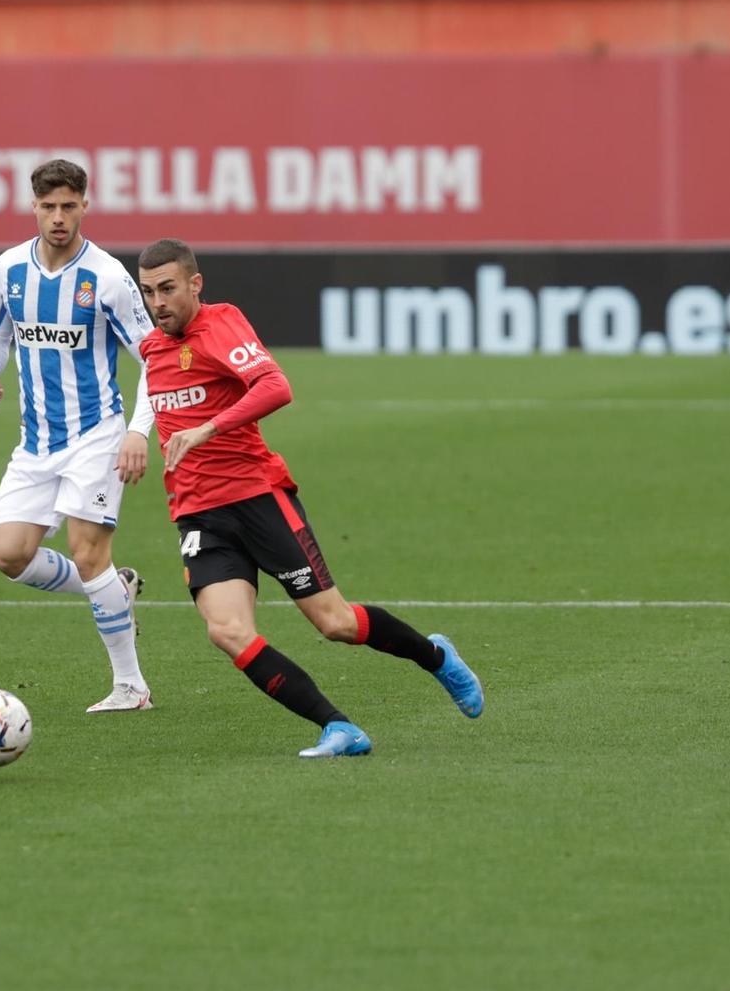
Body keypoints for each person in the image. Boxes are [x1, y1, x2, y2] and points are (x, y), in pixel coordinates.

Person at [126, 237, 483, 758]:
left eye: (168, 289)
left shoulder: (220, 323)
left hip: (258, 499)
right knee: (227, 632)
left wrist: (207, 429)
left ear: (195, 284)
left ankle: (435, 656)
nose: (158, 302)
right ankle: (338, 728)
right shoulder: (153, 348)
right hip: (199, 514)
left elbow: (275, 386)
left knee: (334, 623)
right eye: (148, 292)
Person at [0, 159, 155, 713]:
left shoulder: (106, 276)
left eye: (68, 206)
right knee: (9, 554)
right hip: (36, 442)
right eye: (48, 206)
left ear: (85, 205)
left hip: (97, 434)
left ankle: (131, 686)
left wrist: (137, 431)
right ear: (33, 206)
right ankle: (114, 590)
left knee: (86, 551)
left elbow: (155, 357)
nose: (58, 217)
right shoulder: (9, 268)